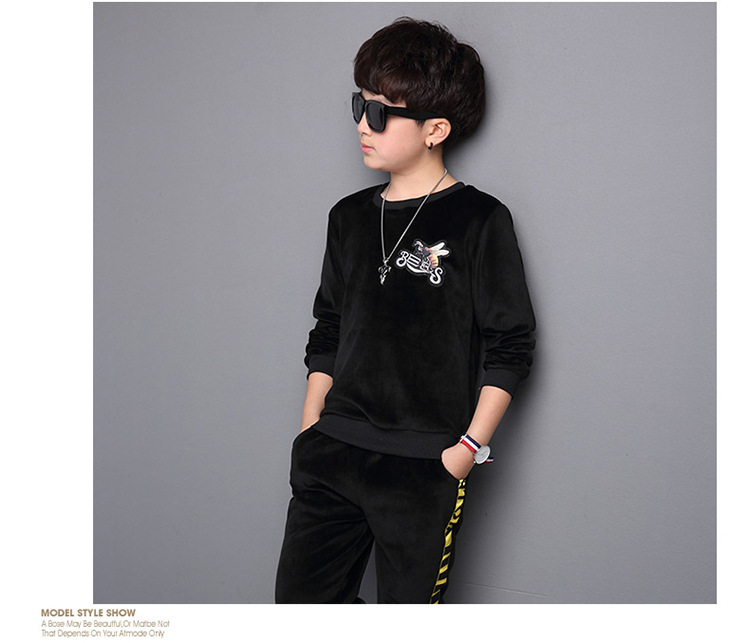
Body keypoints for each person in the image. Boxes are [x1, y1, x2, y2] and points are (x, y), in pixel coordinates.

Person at [275, 17, 535, 604]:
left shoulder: (479, 220)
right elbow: (329, 328)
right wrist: (311, 430)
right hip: (331, 454)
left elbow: (512, 345)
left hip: (424, 466)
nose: (361, 126)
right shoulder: (348, 217)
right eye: (359, 105)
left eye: (380, 112)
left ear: (435, 129)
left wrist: (464, 451)